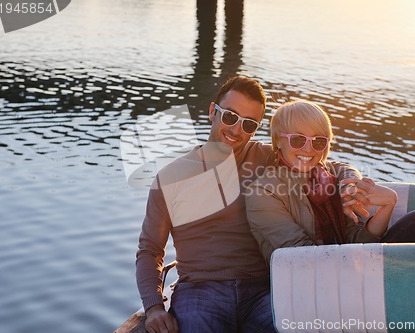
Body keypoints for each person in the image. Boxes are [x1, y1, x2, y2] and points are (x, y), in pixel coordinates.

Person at [136, 78, 369, 333]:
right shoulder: (171, 176)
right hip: (201, 291)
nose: (236, 130)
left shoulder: (268, 157)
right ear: (213, 111)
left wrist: (350, 184)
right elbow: (150, 250)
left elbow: (331, 166)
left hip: (264, 290)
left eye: (248, 124)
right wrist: (154, 308)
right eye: (229, 117)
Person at [245, 99, 415, 266]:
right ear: (278, 140)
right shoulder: (264, 192)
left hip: (351, 266)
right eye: (298, 140)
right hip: (311, 281)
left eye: (318, 141)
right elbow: (301, 255)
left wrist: (387, 203)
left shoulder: (329, 175)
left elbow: (359, 240)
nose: (309, 150)